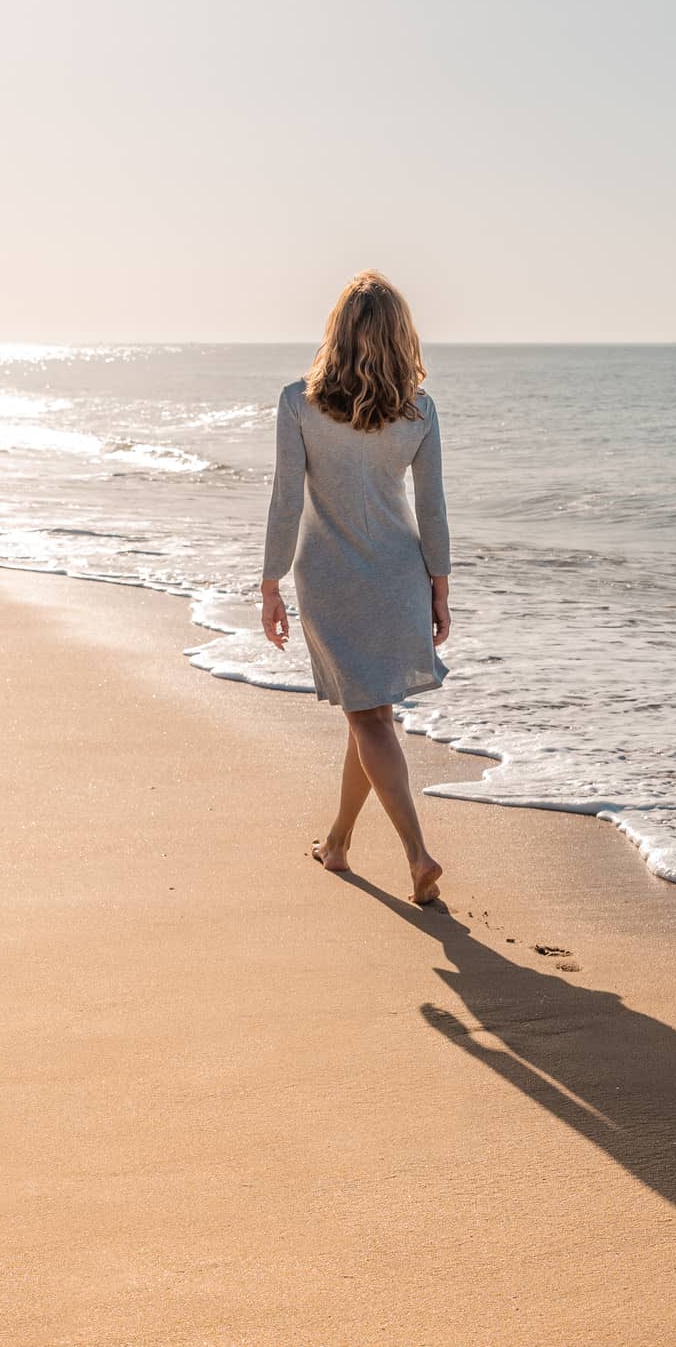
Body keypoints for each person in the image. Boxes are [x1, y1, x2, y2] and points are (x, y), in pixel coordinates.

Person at [259, 270, 452, 905]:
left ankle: (418, 857)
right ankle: (338, 842)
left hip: (330, 576)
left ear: (337, 331)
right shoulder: (418, 411)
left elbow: (287, 502)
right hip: (399, 576)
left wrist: (270, 583)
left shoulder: (298, 402)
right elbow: (434, 511)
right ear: (401, 336)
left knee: (368, 717)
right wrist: (439, 590)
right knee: (371, 716)